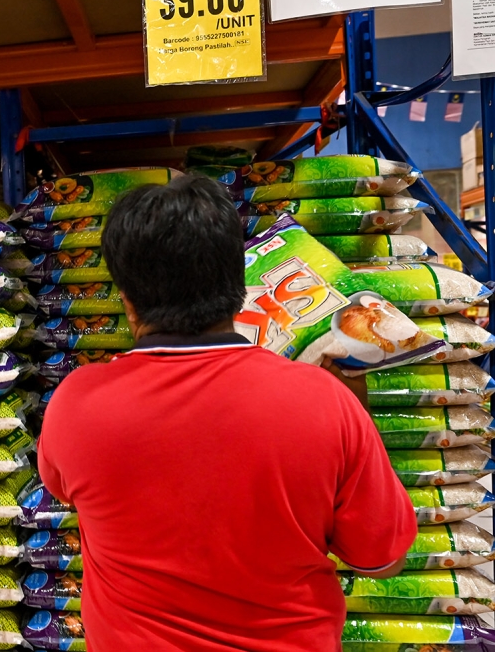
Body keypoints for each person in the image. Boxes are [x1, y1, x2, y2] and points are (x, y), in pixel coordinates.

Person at [37, 176, 418, 652]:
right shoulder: (325, 400)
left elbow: (69, 491)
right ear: (240, 288)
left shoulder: (76, 404)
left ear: (127, 301)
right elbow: (381, 562)